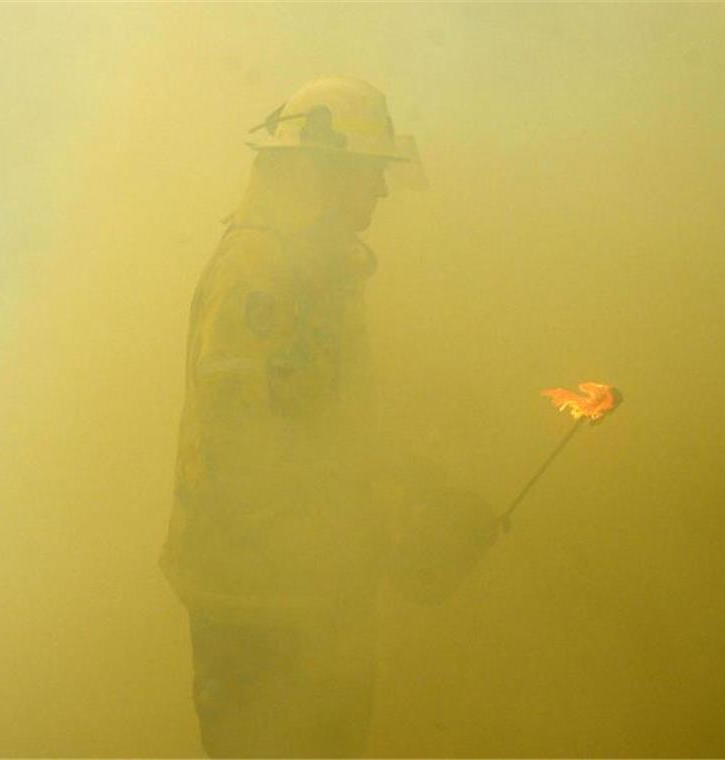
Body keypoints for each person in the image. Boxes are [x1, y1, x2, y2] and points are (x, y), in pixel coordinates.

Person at [158, 76, 498, 758]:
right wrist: (369, 533)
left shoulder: (310, 265)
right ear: (319, 171)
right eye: (367, 173)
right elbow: (246, 455)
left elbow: (326, 417)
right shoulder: (264, 274)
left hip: (303, 596)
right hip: (256, 602)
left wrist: (419, 486)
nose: (379, 191)